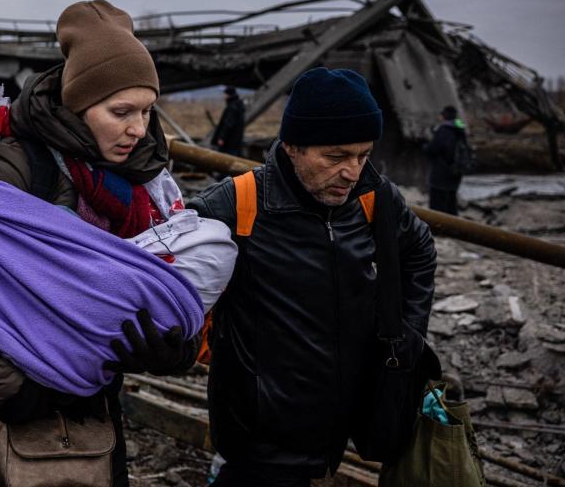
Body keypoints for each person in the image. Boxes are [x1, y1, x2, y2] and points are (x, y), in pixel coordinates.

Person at [0, 0, 200, 487]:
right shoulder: (18, 168)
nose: (139, 129)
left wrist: (169, 350)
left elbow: (148, 292)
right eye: (121, 111)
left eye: (147, 110)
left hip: (87, 424)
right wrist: (20, 393)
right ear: (77, 105)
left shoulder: (146, 191)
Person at [189, 67, 437, 486]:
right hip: (258, 432)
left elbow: (419, 251)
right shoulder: (237, 203)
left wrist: (405, 334)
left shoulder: (373, 199)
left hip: (343, 422)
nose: (352, 171)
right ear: (291, 146)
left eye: (363, 155)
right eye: (336, 156)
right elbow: (167, 272)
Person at [423, 104, 470, 215]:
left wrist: (425, 146)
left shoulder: (443, 130)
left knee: (437, 206)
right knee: (451, 203)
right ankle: (453, 228)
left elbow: (433, 149)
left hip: (440, 174)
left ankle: (438, 229)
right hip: (455, 173)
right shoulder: (460, 130)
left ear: (444, 116)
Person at [210, 85, 245, 156]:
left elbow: (228, 124)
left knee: (227, 158)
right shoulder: (238, 105)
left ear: (228, 95)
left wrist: (221, 138)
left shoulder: (232, 107)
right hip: (236, 141)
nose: (224, 96)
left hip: (229, 142)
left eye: (225, 94)